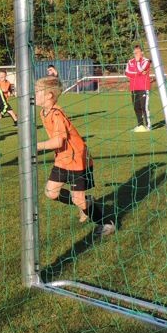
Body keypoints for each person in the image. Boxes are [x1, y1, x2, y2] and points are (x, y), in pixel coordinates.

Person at [35, 76, 113, 236]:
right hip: (62, 160)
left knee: (79, 199)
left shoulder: (57, 114)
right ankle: (87, 202)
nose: (34, 94)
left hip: (78, 160)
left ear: (49, 95)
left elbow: (58, 141)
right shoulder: (44, 112)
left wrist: (35, 147)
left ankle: (106, 223)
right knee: (51, 193)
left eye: (37, 91)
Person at [125, 45, 152, 132]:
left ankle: (148, 126)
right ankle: (140, 125)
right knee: (136, 107)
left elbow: (141, 69)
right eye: (135, 52)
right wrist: (138, 73)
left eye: (137, 52)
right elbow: (127, 73)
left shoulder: (146, 61)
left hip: (143, 87)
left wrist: (137, 63)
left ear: (142, 52)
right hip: (133, 87)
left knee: (144, 107)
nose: (136, 54)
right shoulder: (130, 62)